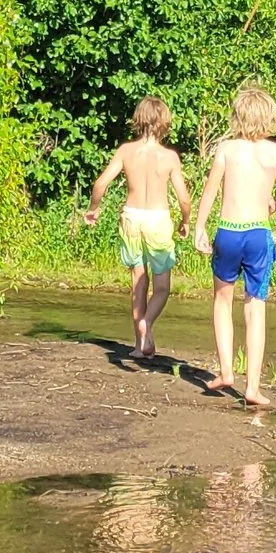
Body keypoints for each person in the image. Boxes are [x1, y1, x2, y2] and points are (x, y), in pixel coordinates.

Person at [191, 83, 276, 410]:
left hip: (228, 231)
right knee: (255, 308)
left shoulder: (226, 149)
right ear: (270, 117)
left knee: (222, 300)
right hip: (257, 234)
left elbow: (211, 190)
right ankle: (252, 387)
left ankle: (226, 372)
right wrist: (275, 204)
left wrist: (200, 227)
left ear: (237, 116)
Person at [85, 96, 191, 360]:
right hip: (157, 218)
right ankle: (146, 324)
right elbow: (184, 198)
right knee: (162, 286)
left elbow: (100, 184)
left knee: (137, 282)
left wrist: (93, 209)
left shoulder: (125, 152)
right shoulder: (169, 157)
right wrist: (186, 220)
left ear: (138, 120)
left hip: (131, 216)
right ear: (164, 122)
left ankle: (140, 344)